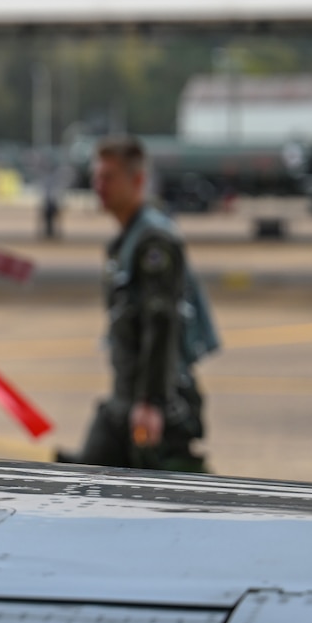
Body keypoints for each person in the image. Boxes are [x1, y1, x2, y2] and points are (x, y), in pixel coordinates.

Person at [65, 134, 218, 471]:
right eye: (96, 177)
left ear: (137, 181)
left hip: (153, 401)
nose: (98, 186)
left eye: (108, 177)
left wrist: (150, 402)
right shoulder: (126, 241)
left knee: (173, 499)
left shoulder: (153, 242)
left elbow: (162, 320)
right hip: (128, 396)